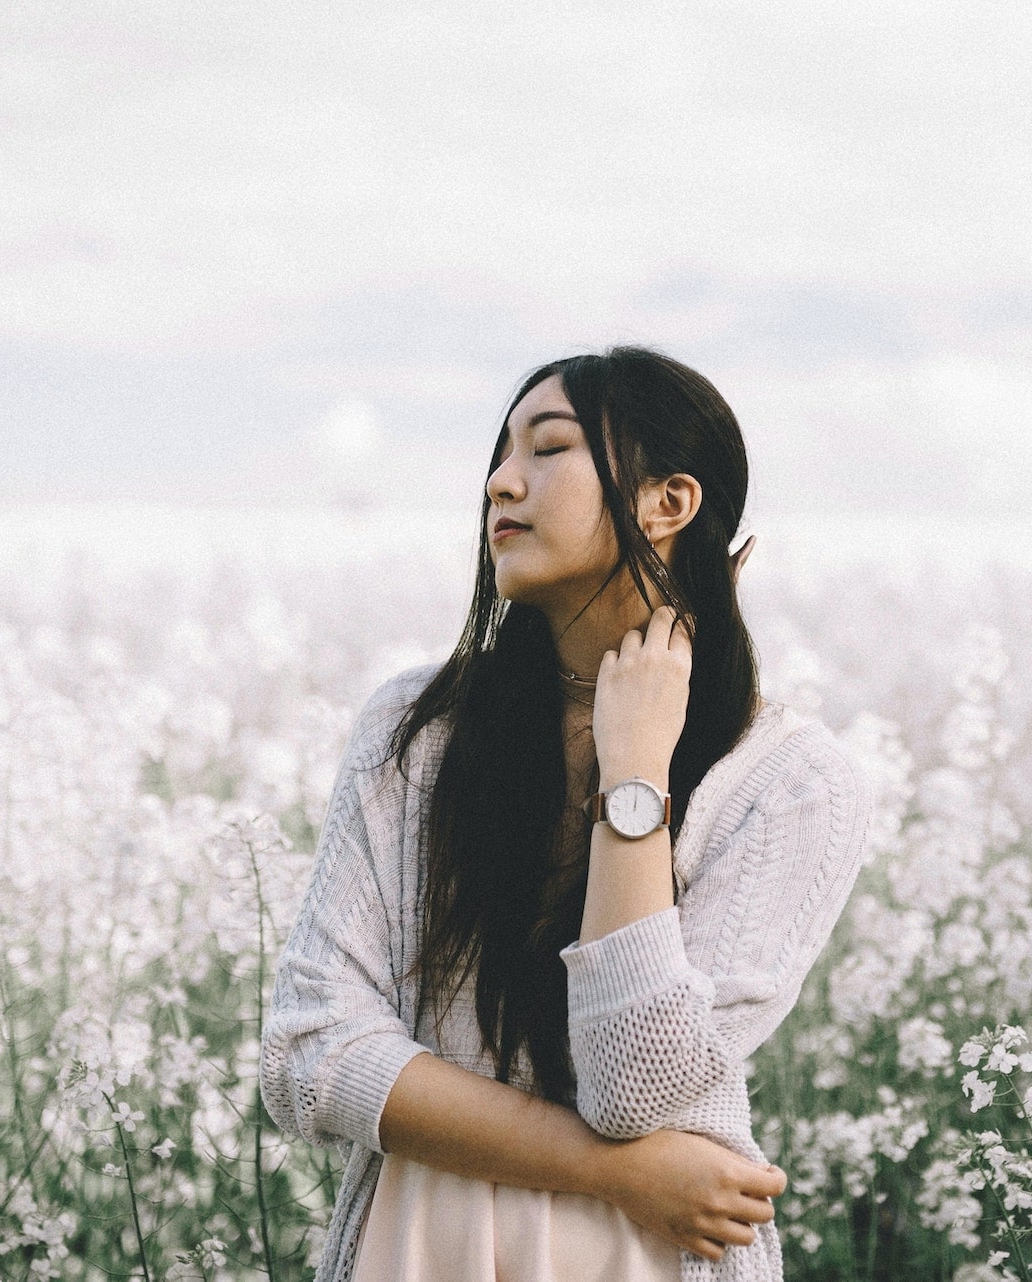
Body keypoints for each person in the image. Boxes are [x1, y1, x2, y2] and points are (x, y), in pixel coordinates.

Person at [260, 345, 876, 1281]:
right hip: (423, 1246)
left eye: (548, 450)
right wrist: (618, 1174)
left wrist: (635, 773)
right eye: (501, 455)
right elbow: (310, 1052)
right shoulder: (417, 731)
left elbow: (638, 1088)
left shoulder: (792, 783)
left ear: (669, 503)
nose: (501, 484)